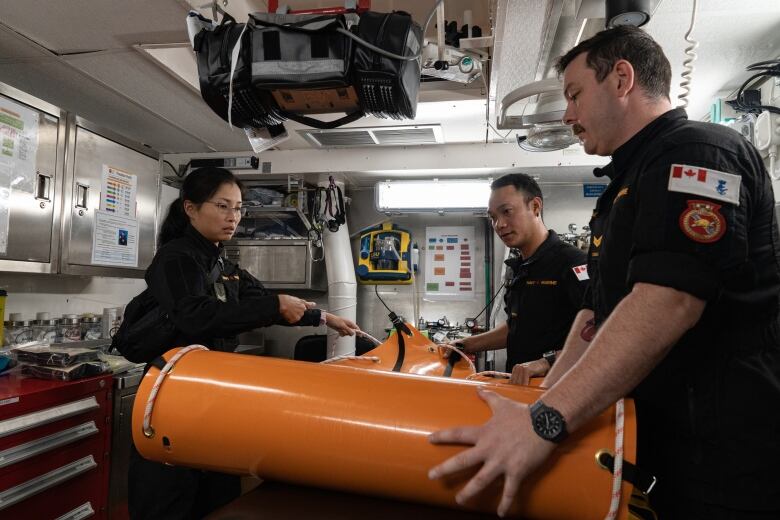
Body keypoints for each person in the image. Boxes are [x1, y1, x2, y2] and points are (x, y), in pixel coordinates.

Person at [428, 26, 780, 519]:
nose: (568, 114)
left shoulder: (698, 153)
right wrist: (547, 400)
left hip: (724, 451)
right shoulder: (626, 186)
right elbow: (594, 317)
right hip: (658, 442)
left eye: (574, 95)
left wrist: (545, 421)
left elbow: (668, 301)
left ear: (621, 78)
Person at [128, 167, 360, 519]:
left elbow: (261, 300)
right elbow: (194, 315)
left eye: (238, 208)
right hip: (174, 394)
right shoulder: (175, 258)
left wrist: (325, 318)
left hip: (214, 395)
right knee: (171, 497)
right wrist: (273, 305)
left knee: (218, 493)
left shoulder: (220, 260)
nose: (232, 217)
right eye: (222, 206)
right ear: (190, 208)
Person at [441, 173, 589, 384]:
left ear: (536, 207)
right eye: (493, 217)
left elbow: (604, 333)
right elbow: (516, 328)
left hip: (562, 389)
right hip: (520, 388)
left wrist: (546, 362)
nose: (499, 224)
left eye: (507, 212)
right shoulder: (519, 268)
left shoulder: (573, 263)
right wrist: (463, 345)